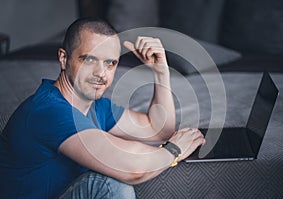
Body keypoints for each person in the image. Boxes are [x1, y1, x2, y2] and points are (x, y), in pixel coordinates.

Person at [0, 18, 205, 199]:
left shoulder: (99, 108)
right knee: (109, 183)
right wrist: (174, 150)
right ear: (64, 59)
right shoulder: (48, 111)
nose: (101, 73)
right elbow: (131, 168)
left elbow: (159, 129)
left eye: (110, 63)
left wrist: (160, 72)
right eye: (89, 59)